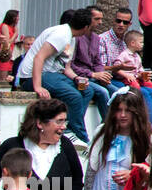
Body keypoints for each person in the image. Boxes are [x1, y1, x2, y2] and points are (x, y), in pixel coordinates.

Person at [16, 8, 96, 143]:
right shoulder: (61, 34)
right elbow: (39, 58)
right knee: (73, 96)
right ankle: (76, 134)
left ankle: (71, 125)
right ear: (86, 27)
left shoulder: (72, 38)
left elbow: (66, 67)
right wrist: (38, 86)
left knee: (87, 91)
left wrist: (77, 78)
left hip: (53, 74)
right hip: (32, 76)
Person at [0, 9, 19, 87]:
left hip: (10, 53)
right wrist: (15, 34)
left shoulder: (13, 27)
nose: (18, 18)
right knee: (3, 76)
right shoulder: (5, 26)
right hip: (4, 53)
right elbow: (7, 42)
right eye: (17, 17)